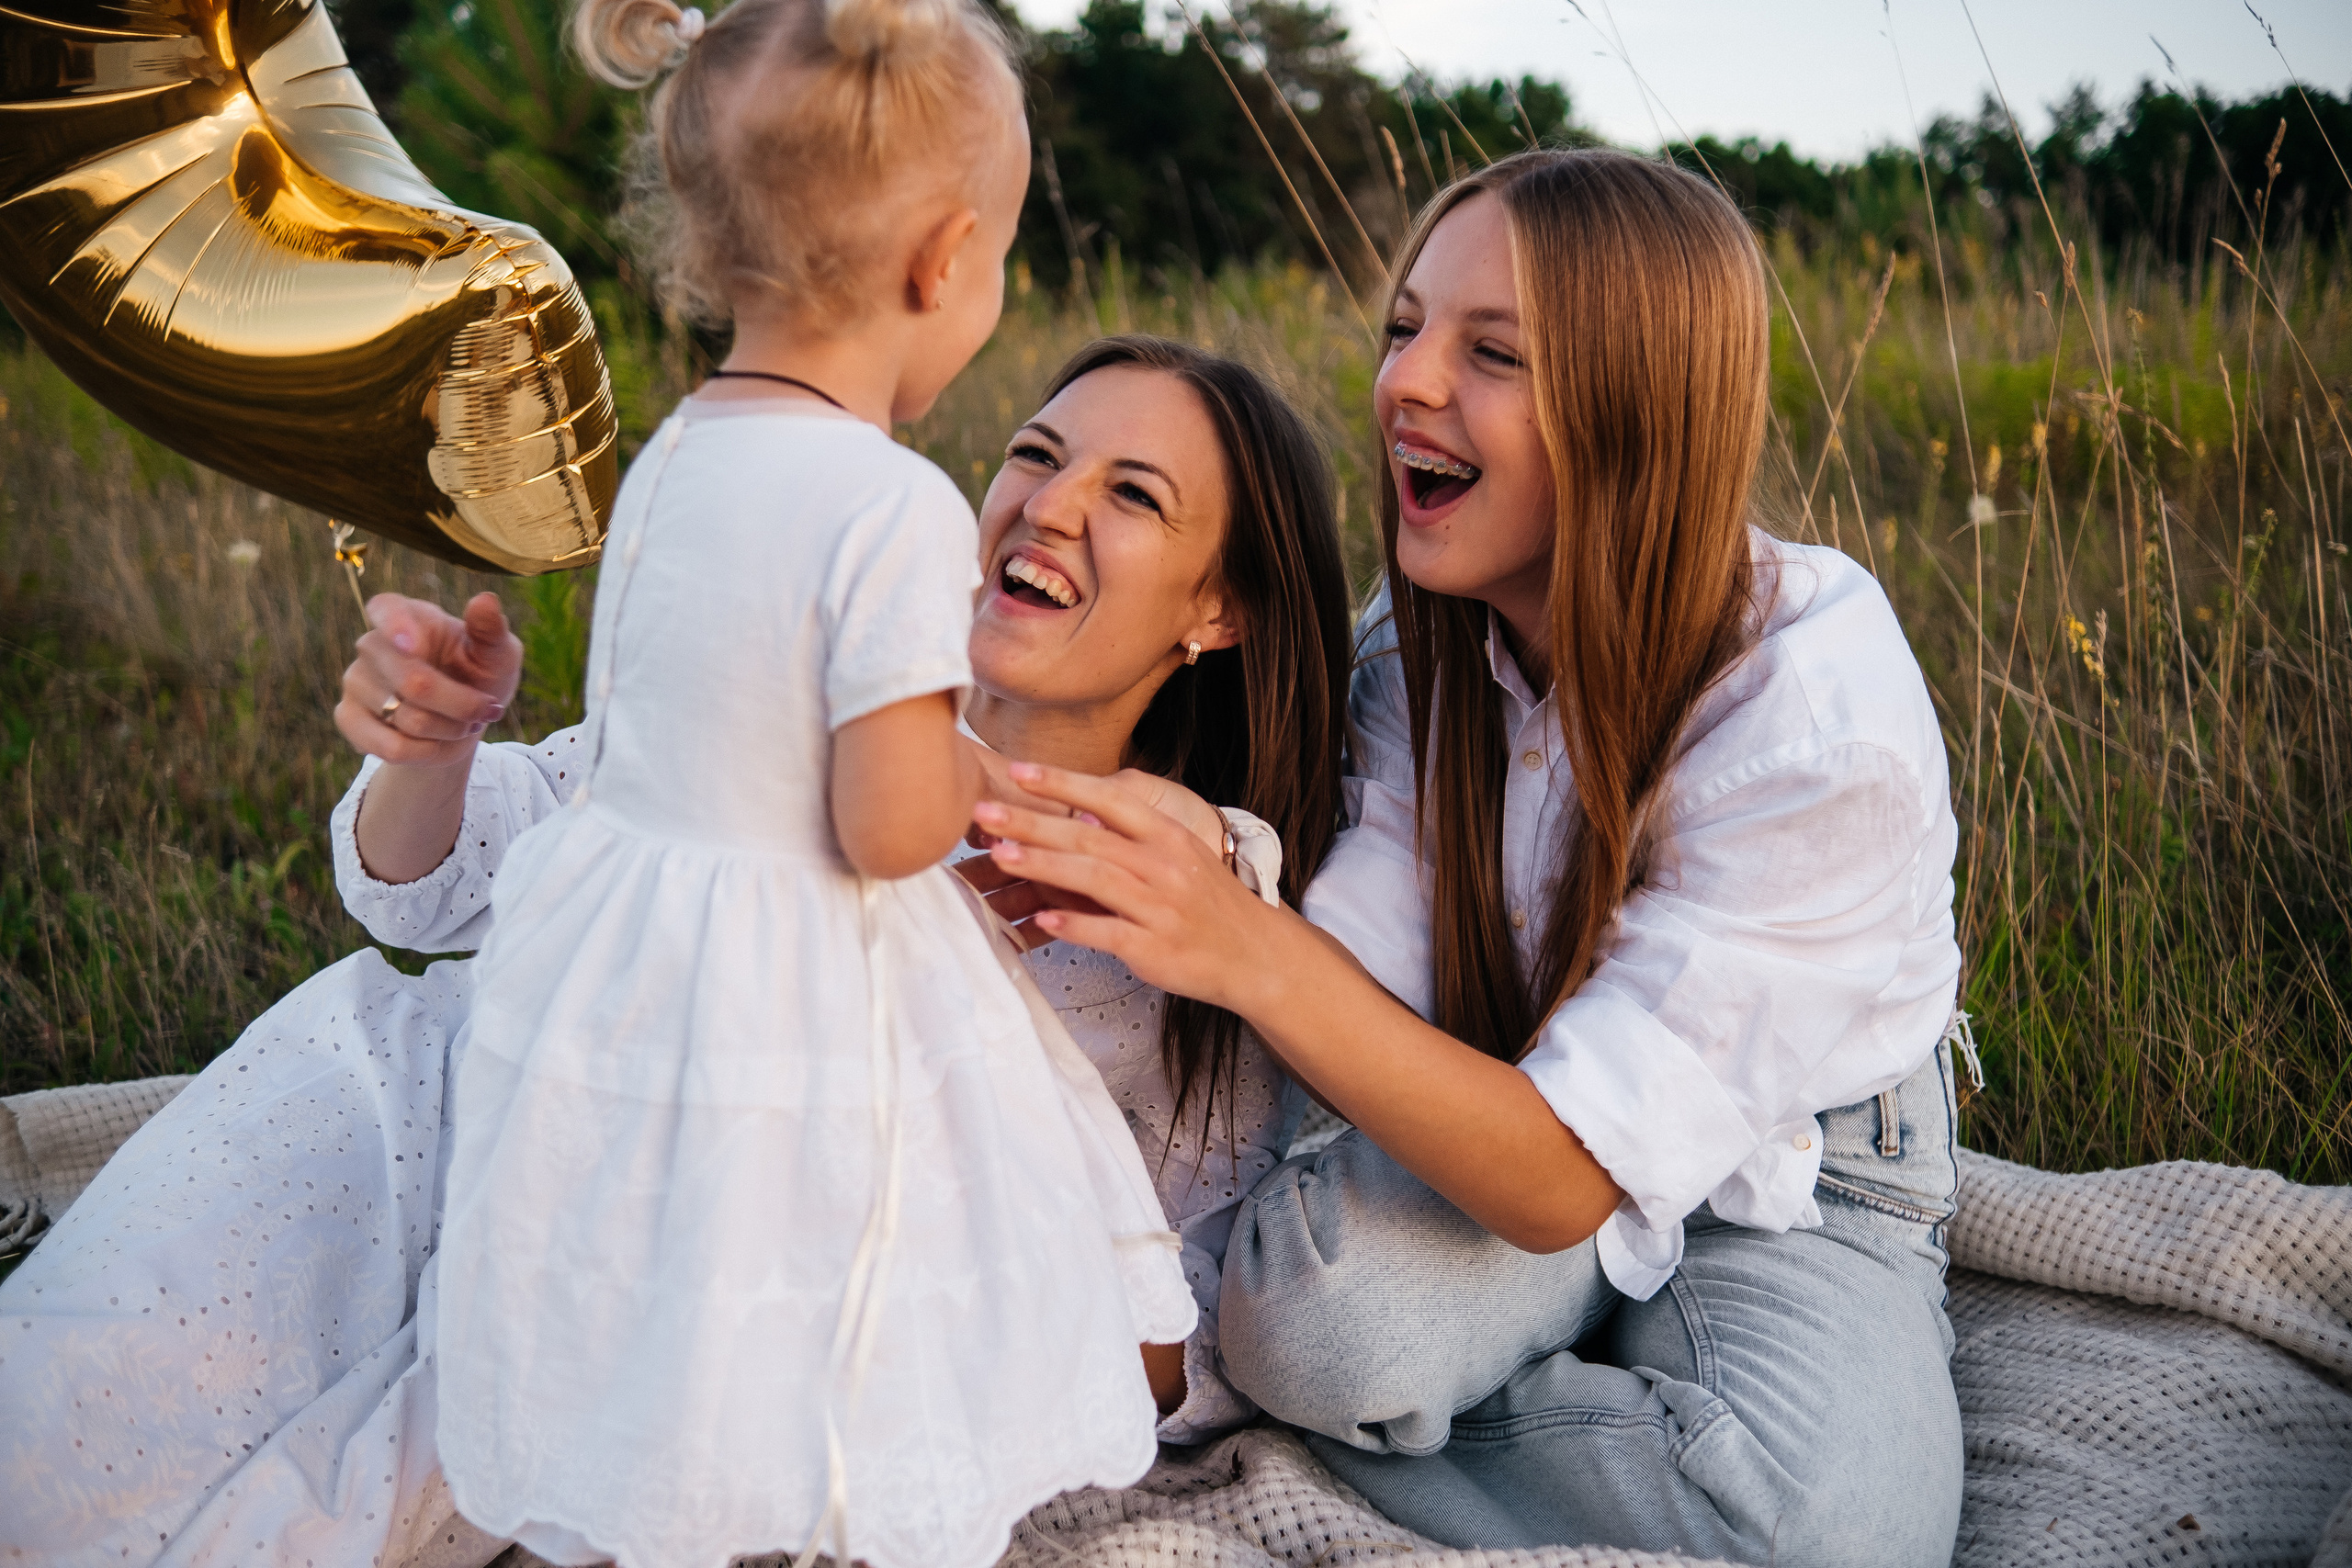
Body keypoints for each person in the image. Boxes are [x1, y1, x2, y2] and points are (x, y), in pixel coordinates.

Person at [0, 336, 1351, 1568]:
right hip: (417, 1117)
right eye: (1036, 455)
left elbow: (1166, 1324)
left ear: (1218, 609)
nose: (1050, 506)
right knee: (67, 1417)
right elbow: (431, 891)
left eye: (1133, 495)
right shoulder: (794, 681)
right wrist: (432, 747)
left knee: (325, 1513)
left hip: (653, 1287)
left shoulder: (1190, 895)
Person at [972, 148, 1972, 1565]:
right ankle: (1426, 1393)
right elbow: (1353, 991)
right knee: (1314, 1324)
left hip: (1788, 1167)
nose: (1407, 383)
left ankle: (1403, 1430)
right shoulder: (1412, 650)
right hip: (1490, 1082)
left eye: (1492, 352)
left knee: (1823, 1537)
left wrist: (1241, 937)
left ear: (1633, 407)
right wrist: (1223, 865)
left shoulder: (1816, 721)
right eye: (1405, 328)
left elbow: (1560, 1173)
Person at [417, 0, 1201, 1559]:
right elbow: (884, 824)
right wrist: (973, 775)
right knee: (862, 1258)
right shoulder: (889, 504)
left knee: (690, 1276)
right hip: (803, 975)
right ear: (944, 261)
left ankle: (678, 1496)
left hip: (627, 965)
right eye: (1001, 262)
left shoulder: (671, 458)